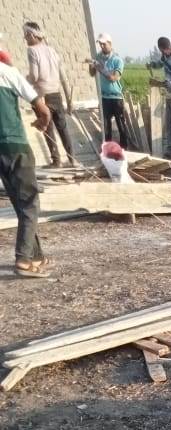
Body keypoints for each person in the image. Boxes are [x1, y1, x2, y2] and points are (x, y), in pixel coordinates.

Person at [0, 58, 52, 276]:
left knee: (21, 204)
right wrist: (42, 121)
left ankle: (36, 255)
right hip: (16, 146)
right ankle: (23, 259)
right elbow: (43, 110)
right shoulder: (8, 72)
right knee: (30, 203)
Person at [23, 21, 75, 168]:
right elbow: (62, 76)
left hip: (42, 95)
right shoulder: (52, 50)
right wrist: (69, 100)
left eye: (26, 35)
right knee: (62, 128)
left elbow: (35, 75)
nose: (25, 39)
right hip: (56, 94)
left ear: (32, 35)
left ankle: (56, 161)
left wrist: (24, 80)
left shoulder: (32, 50)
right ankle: (72, 160)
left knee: (47, 128)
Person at [88, 32, 128, 149]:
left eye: (104, 44)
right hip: (104, 97)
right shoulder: (98, 57)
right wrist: (91, 66)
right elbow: (92, 74)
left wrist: (100, 68)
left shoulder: (117, 60)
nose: (102, 46)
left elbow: (113, 78)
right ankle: (108, 149)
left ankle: (124, 148)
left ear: (110, 43)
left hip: (116, 97)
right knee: (106, 126)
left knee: (121, 124)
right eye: (100, 44)